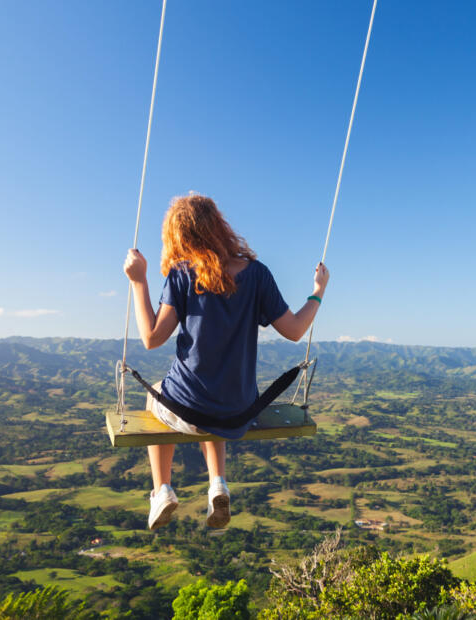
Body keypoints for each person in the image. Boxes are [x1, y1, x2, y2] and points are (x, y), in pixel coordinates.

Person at [123, 194, 329, 530]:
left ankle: (161, 490)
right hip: (239, 412)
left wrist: (138, 281)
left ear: (179, 236)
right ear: (219, 226)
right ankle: (218, 483)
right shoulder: (258, 275)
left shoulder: (182, 275)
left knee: (157, 394)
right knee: (214, 400)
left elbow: (151, 338)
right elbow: (294, 330)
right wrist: (318, 290)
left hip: (189, 408)